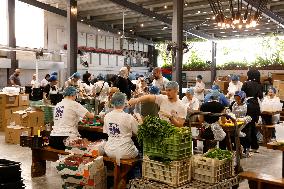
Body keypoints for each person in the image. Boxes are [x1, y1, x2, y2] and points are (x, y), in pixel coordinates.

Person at [103, 92, 140, 163]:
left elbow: (107, 131)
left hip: (110, 150)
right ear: (124, 102)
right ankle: (129, 173)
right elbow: (138, 132)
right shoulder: (128, 117)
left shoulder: (107, 116)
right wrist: (139, 120)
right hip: (125, 152)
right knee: (138, 152)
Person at [241, 69, 263, 153]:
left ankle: (247, 146)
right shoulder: (259, 84)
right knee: (253, 126)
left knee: (246, 127)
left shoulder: (246, 84)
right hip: (256, 106)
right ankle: (255, 146)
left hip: (248, 105)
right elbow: (260, 96)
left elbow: (242, 95)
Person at [227, 91, 252, 156]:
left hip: (244, 124)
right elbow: (228, 111)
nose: (237, 100)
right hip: (234, 122)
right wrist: (231, 116)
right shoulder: (233, 104)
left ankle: (245, 150)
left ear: (243, 98)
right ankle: (235, 149)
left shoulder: (248, 106)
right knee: (233, 135)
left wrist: (242, 119)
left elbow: (250, 117)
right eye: (236, 98)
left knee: (244, 137)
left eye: (239, 98)